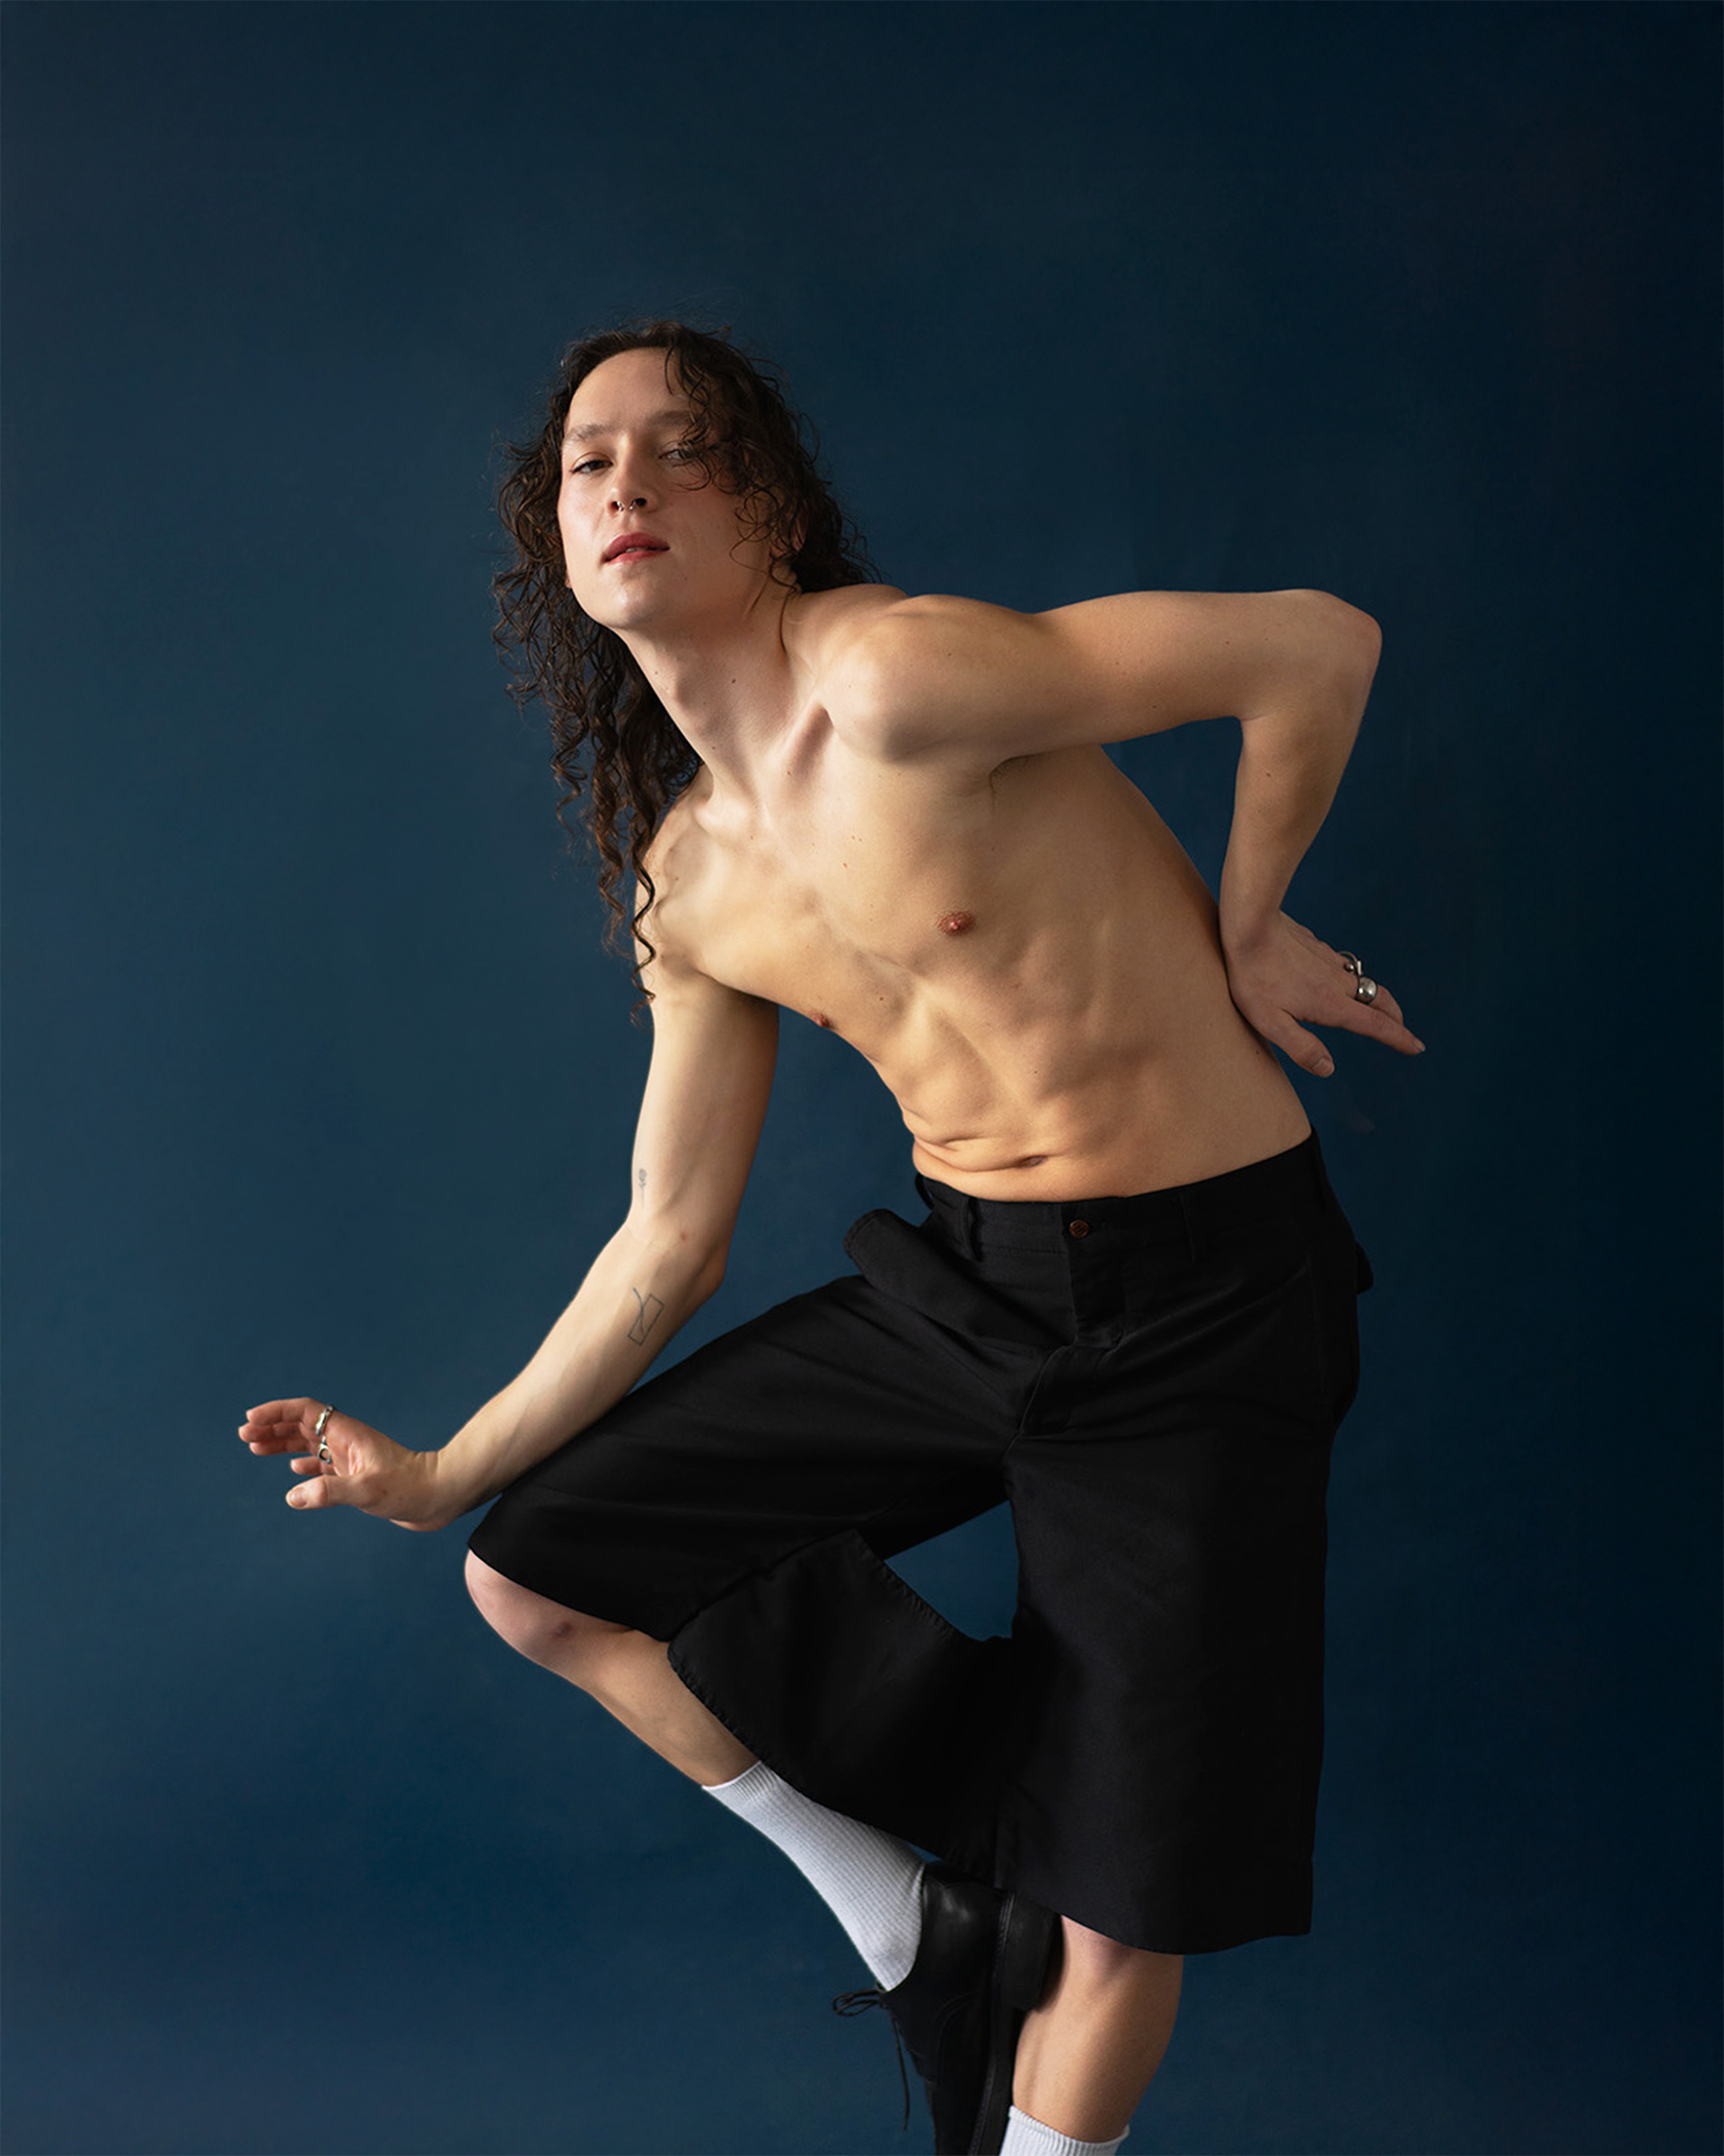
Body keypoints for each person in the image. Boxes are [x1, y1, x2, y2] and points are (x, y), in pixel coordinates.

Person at [240, 321, 1422, 2156]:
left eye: (681, 447)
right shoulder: (692, 881)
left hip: (1205, 1302)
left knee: (1120, 1919)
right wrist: (443, 1472)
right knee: (536, 1576)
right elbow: (669, 1235)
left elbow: (1313, 645)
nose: (627, 483)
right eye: (588, 462)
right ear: (557, 545)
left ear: (773, 510)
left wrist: (1255, 919)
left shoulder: (894, 678)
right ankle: (921, 1922)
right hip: (979, 1284)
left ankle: (1068, 1864)